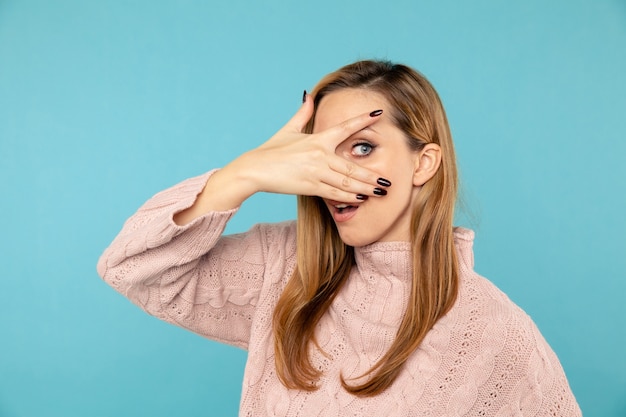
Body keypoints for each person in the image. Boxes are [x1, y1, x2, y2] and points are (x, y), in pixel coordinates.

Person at [97, 60, 581, 416]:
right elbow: (132, 269)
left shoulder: (496, 332)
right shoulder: (286, 269)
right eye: (322, 152)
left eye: (363, 148)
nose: (336, 175)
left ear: (423, 162)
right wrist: (246, 172)